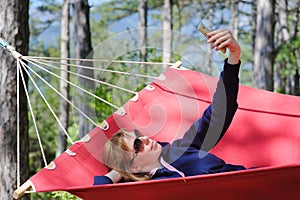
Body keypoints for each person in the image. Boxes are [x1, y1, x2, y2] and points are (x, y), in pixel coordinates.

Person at [94, 29, 245, 185]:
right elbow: (101, 192)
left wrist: (233, 59)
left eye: (139, 135)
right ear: (133, 167)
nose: (145, 139)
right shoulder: (149, 190)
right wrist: (117, 173)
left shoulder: (180, 150)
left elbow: (218, 115)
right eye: (137, 144)